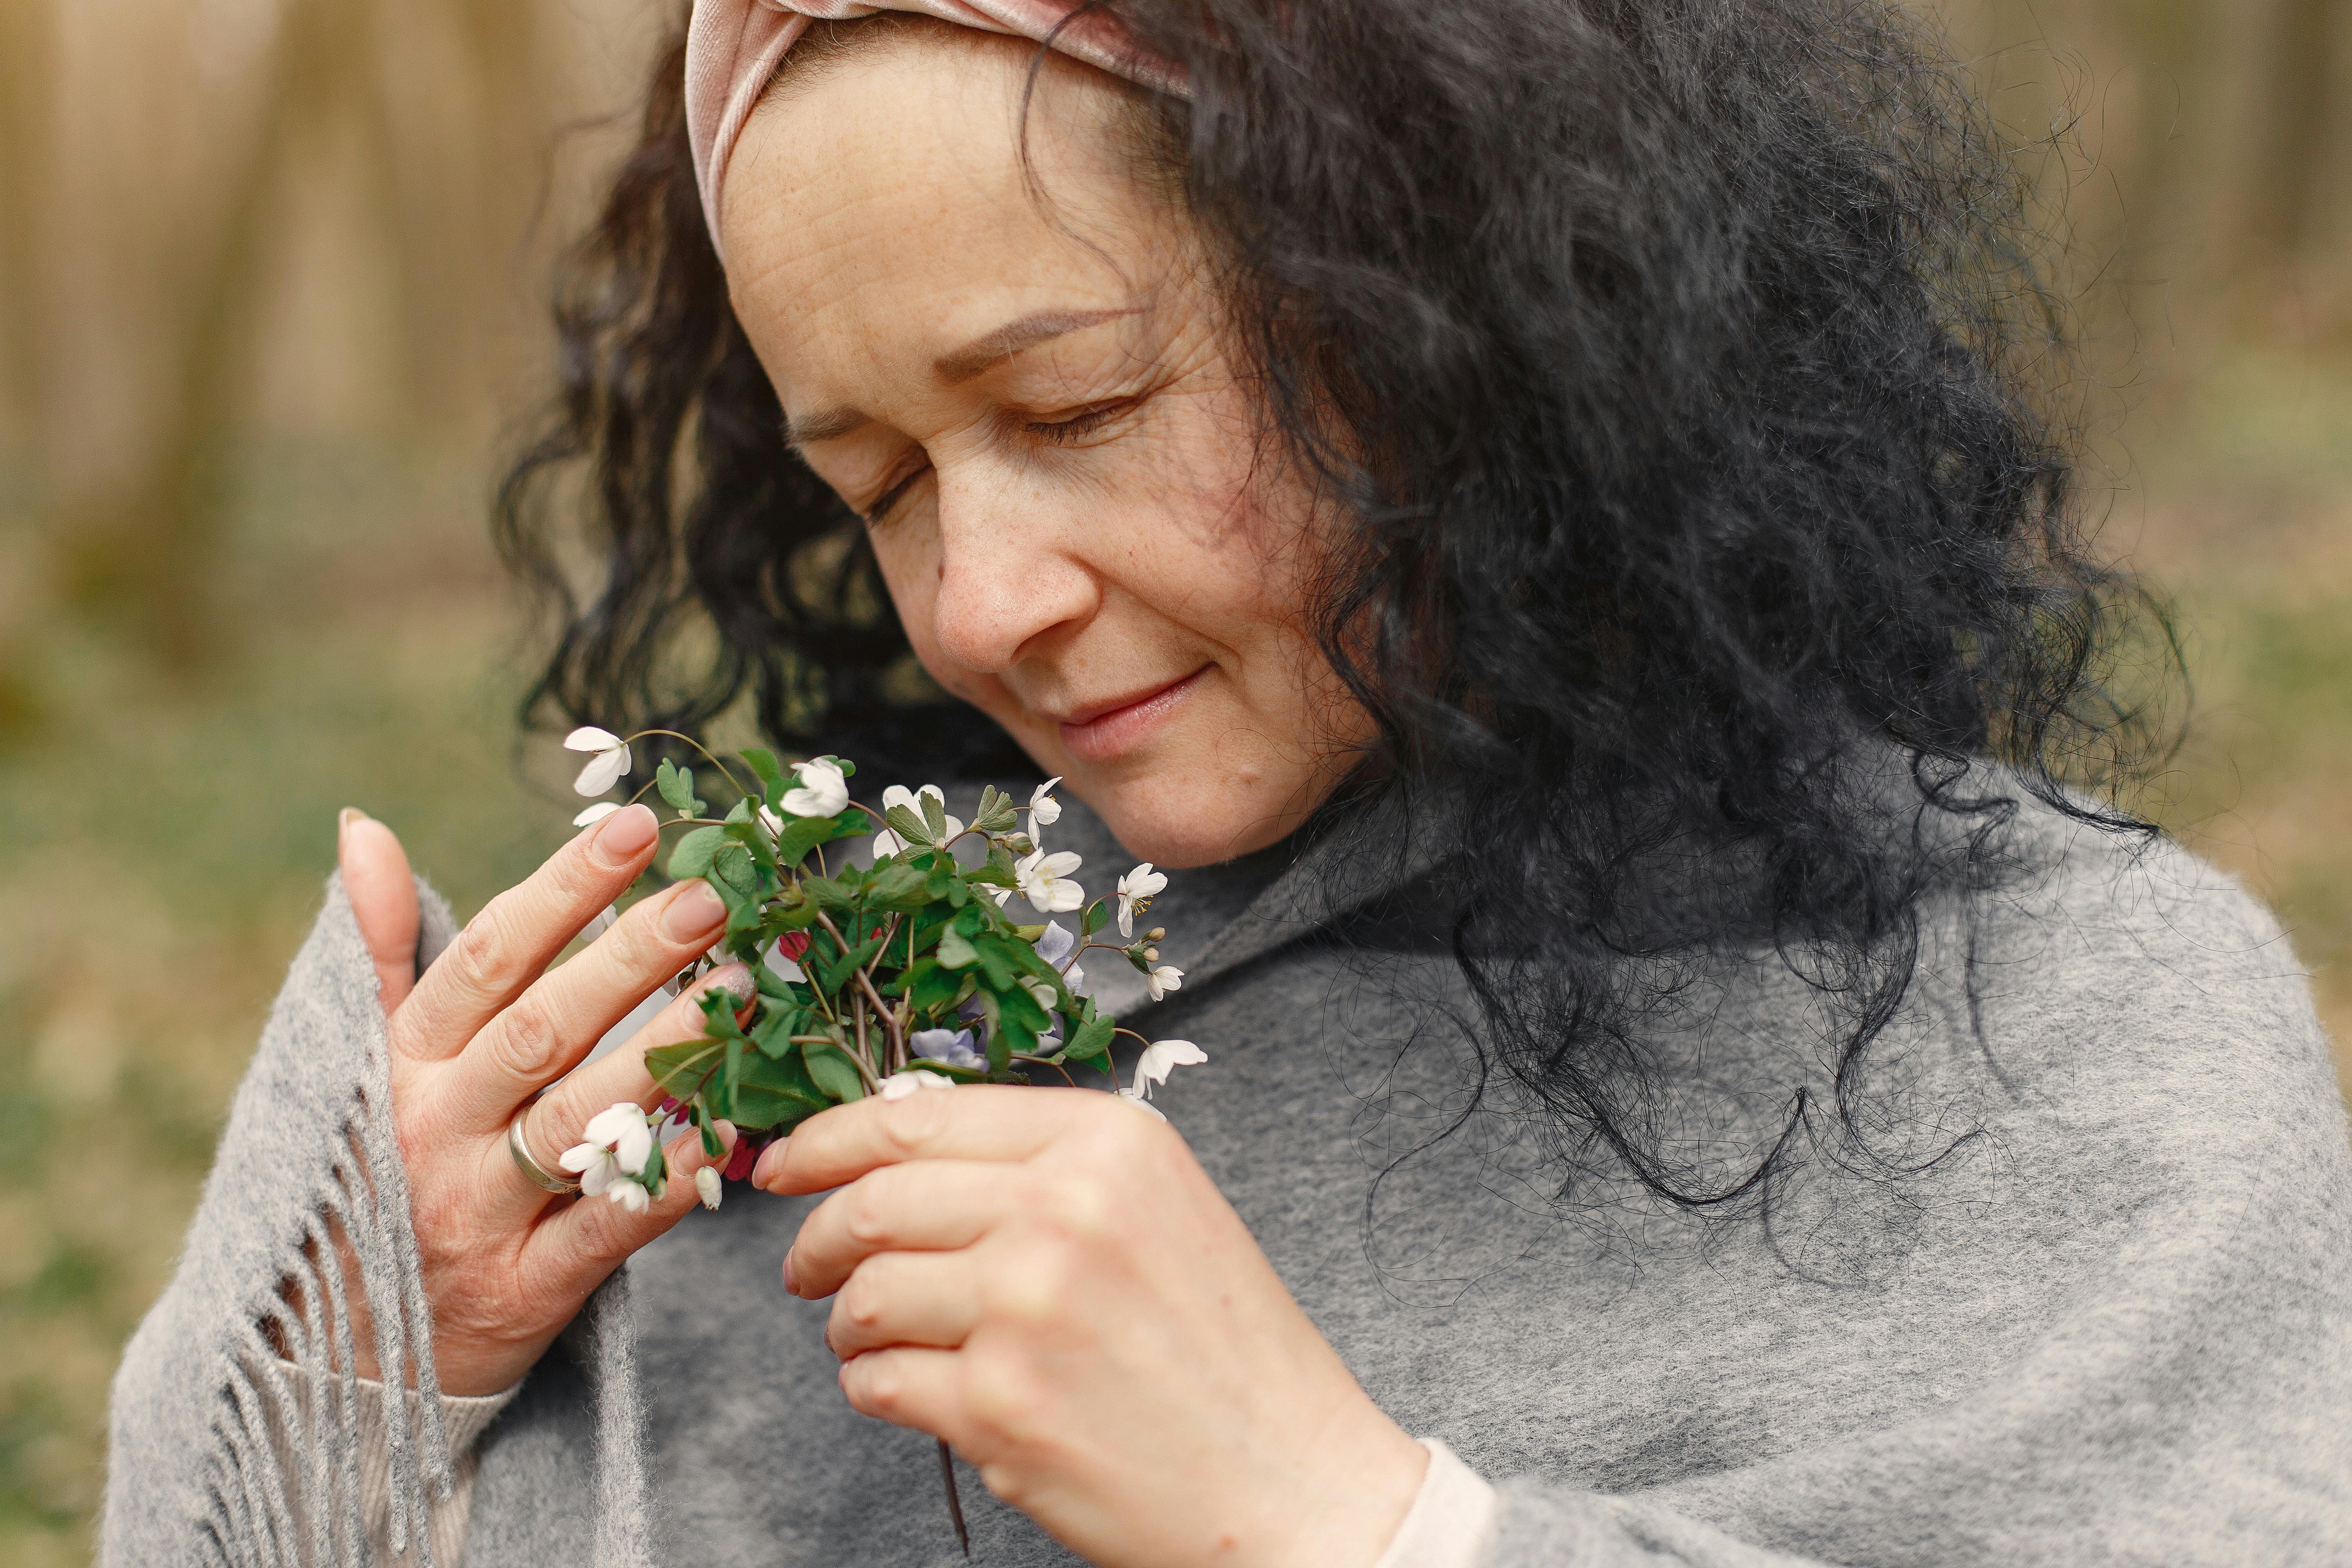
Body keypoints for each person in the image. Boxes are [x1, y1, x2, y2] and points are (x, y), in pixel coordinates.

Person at [103, 1, 2352, 1564]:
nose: (975, 607)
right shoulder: (701, 1041)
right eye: (875, 480)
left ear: (1472, 305)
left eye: (1075, 409)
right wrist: (367, 1385)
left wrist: (1357, 1525)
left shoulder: (2069, 1023)